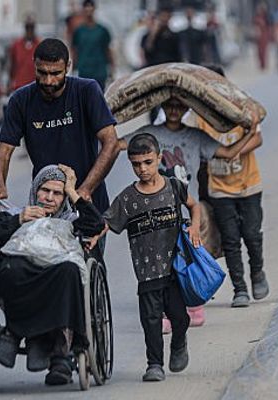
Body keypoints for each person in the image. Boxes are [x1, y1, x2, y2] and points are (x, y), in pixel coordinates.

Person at [0, 165, 105, 386]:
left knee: (69, 270)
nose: (49, 197)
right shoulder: (17, 214)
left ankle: (60, 353)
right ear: (35, 190)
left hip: (55, 272)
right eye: (44, 190)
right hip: (20, 271)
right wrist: (18, 220)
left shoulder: (71, 219)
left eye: (57, 193)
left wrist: (72, 190)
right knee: (10, 268)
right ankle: (16, 333)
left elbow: (96, 224)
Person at [129, 96, 258, 324]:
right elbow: (118, 144)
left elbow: (228, 153)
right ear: (161, 106)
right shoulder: (149, 133)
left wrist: (251, 130)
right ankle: (166, 312)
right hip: (154, 215)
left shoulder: (196, 137)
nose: (174, 110)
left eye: (179, 106)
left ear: (187, 108)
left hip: (186, 214)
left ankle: (194, 304)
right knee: (161, 266)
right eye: (169, 105)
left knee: (186, 262)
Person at [104, 133, 202, 382]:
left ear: (158, 158)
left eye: (148, 162)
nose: (143, 169)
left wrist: (195, 227)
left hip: (173, 269)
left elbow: (194, 205)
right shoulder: (127, 198)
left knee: (180, 318)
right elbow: (107, 222)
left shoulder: (173, 187)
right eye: (136, 164)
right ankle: (154, 364)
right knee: (151, 321)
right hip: (146, 273)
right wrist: (93, 237)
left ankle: (179, 344)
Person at [0, 38, 121, 220]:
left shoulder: (87, 91)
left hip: (88, 203)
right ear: (34, 65)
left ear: (68, 66)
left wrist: (85, 190)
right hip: (45, 205)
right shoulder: (21, 100)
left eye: (55, 73)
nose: (48, 81)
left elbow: (111, 143)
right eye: (42, 72)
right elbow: (3, 151)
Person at [194, 65, 268, 309]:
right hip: (219, 188)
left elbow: (257, 136)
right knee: (230, 238)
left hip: (248, 185)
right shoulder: (198, 116)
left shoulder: (242, 107)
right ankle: (240, 289)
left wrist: (233, 153)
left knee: (252, 234)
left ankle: (257, 272)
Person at [71, 0, 114, 90]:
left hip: (99, 72)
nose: (88, 10)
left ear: (94, 9)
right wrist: (73, 69)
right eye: (86, 7)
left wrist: (112, 68)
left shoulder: (102, 30)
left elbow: (108, 50)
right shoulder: (79, 31)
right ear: (83, 10)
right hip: (84, 71)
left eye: (90, 7)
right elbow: (74, 50)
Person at [6, 15, 41, 94]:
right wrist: (9, 83)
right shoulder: (16, 45)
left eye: (31, 27)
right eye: (27, 27)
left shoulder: (39, 45)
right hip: (19, 87)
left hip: (35, 88)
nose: (29, 30)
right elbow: (11, 66)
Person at [254, 3, 274, 71]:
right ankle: (261, 64)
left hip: (264, 34)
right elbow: (254, 25)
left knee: (264, 50)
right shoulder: (256, 16)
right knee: (259, 51)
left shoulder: (266, 17)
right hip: (258, 35)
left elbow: (269, 26)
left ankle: (264, 65)